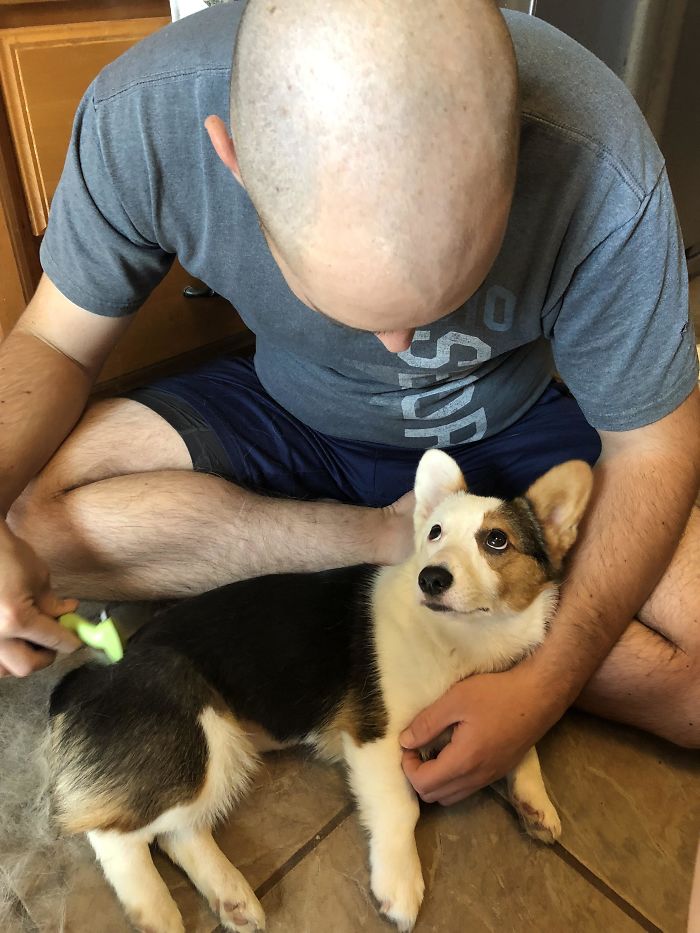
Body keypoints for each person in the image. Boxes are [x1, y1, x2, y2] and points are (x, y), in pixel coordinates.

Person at [1, 0, 698, 807]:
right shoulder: (145, 116)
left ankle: (395, 590)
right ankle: (372, 546)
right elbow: (51, 342)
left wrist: (543, 684)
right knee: (27, 517)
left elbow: (656, 447)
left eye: (447, 292)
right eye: (355, 308)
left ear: (517, 159)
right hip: (284, 410)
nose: (397, 348)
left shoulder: (601, 165)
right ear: (234, 160)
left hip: (503, 430)